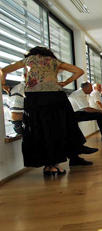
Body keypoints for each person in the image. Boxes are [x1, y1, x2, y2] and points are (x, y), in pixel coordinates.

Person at [0, 46, 92, 175]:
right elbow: (79, 71)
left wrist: (3, 84)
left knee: (39, 130)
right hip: (55, 97)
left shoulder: (28, 60)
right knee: (57, 130)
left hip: (34, 99)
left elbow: (3, 70)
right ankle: (58, 162)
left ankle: (49, 165)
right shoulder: (54, 61)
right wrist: (65, 83)